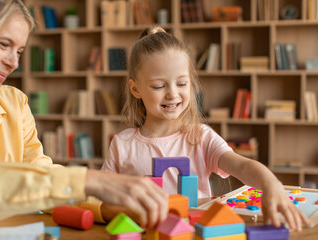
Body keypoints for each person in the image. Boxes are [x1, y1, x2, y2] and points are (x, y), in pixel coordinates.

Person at [0, 0, 167, 228]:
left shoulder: (14, 103)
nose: (13, 63)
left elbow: (40, 177)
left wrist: (105, 208)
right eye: (3, 44)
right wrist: (89, 180)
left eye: (19, 51)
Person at [101, 26, 309, 231]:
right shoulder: (122, 144)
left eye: (181, 84)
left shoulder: (200, 137)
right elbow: (100, 200)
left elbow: (242, 166)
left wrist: (271, 185)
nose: (172, 94)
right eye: (159, 86)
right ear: (135, 88)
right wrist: (131, 212)